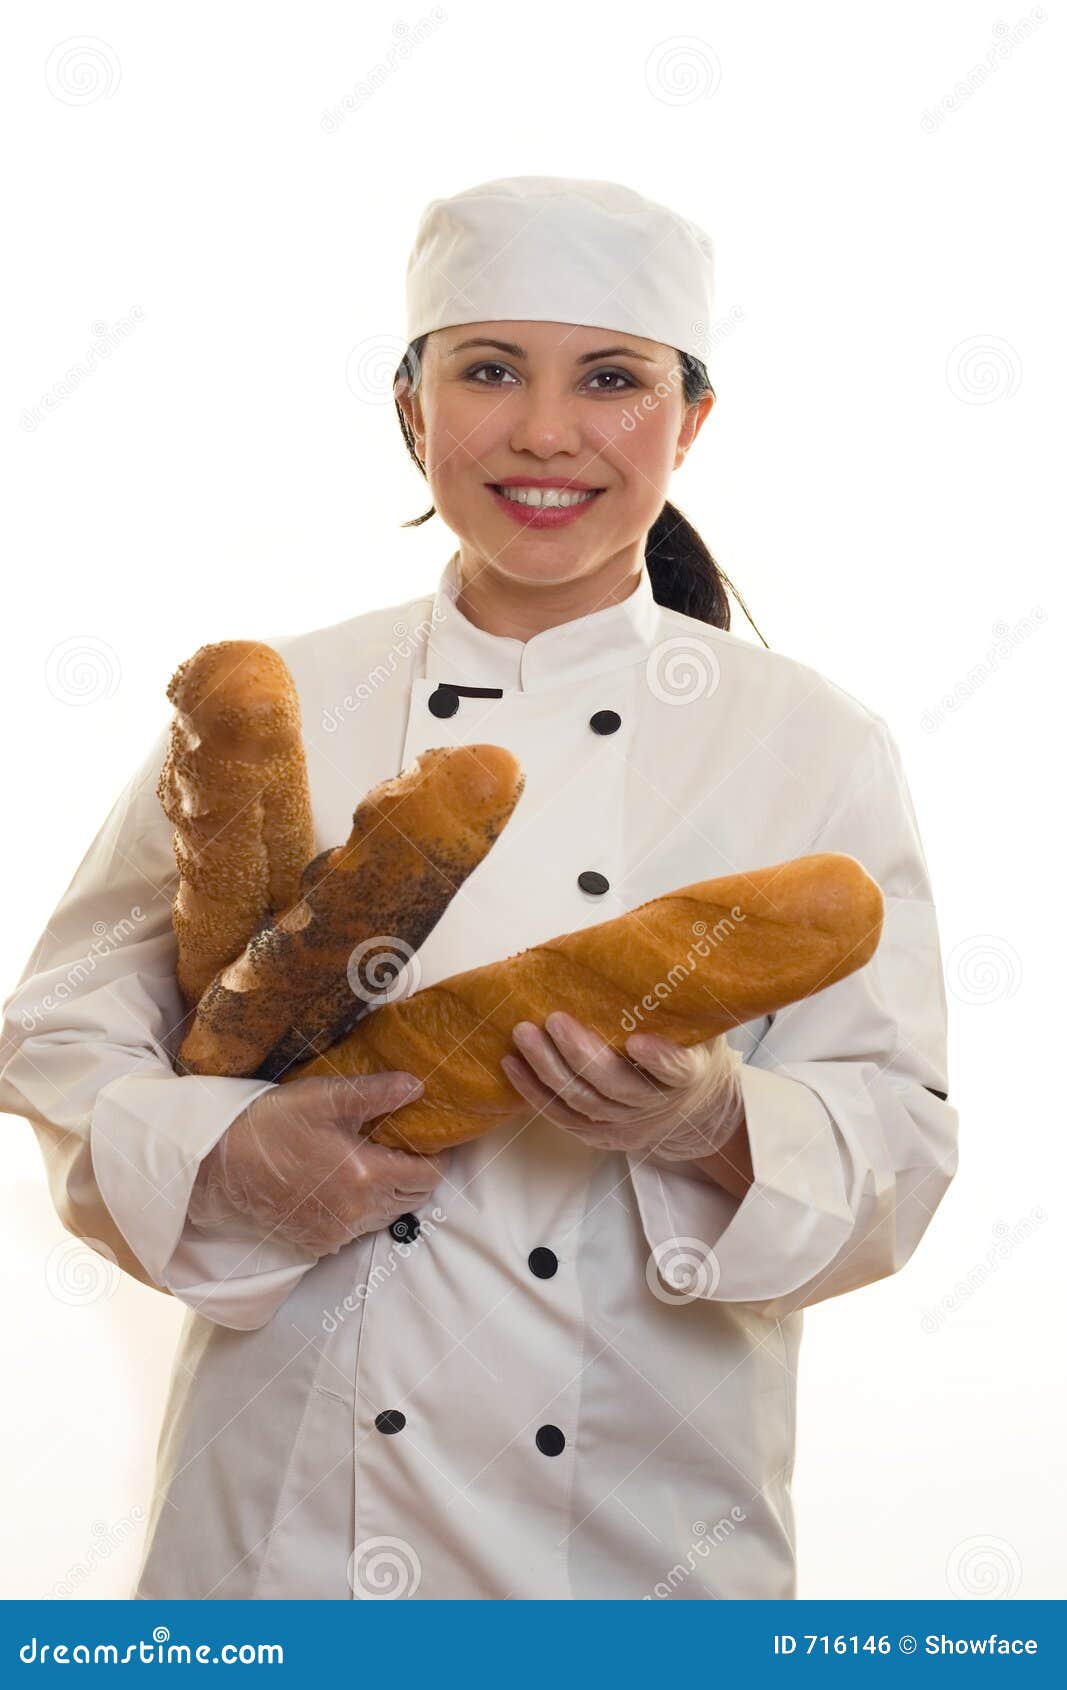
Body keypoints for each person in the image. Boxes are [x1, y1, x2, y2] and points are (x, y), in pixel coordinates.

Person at [0, 176, 959, 1600]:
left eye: (614, 379)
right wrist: (225, 1154)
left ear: (691, 422)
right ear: (412, 409)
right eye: (490, 370)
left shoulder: (813, 742)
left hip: (644, 1545)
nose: (547, 432)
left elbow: (903, 1145)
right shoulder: (281, 696)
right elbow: (63, 1024)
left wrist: (713, 1119)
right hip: (282, 1548)